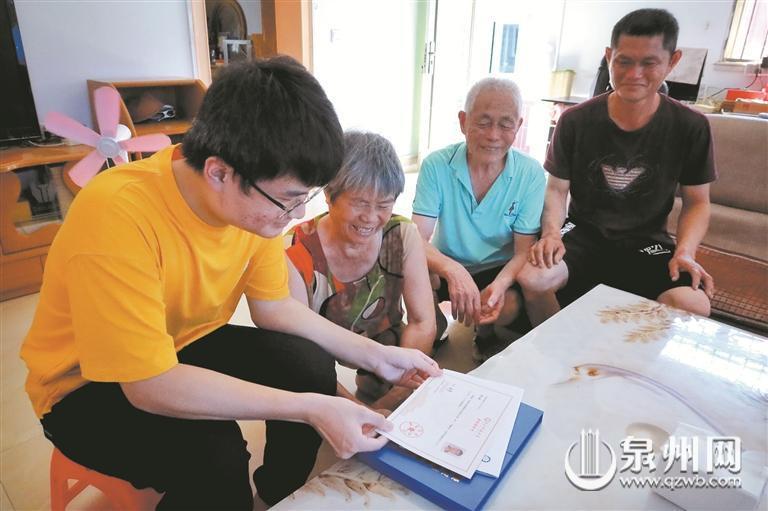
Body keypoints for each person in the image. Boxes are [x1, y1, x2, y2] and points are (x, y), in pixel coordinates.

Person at [20, 58, 440, 510]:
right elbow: (148, 385)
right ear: (219, 172)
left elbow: (275, 307)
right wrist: (308, 408)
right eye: (289, 200)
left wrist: (379, 356)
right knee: (215, 456)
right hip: (84, 387)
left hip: (181, 342)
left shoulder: (252, 202)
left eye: (305, 197)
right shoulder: (117, 215)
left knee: (309, 365)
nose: (298, 214)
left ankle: (280, 496)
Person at [518, 8, 716, 326]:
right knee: (533, 279)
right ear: (609, 56)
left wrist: (686, 252)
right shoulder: (575, 120)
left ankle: (630, 352)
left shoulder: (691, 126)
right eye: (624, 61)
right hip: (583, 233)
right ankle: (554, 345)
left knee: (692, 303)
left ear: (673, 61)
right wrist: (552, 233)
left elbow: (698, 203)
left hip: (648, 241)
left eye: (649, 63)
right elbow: (556, 189)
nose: (634, 74)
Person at [286, 131, 445, 409]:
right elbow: (297, 351)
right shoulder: (295, 251)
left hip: (382, 334)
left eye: (383, 205)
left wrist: (393, 399)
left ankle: (374, 380)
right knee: (302, 373)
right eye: (359, 203)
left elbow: (422, 322)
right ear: (329, 195)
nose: (371, 218)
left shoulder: (402, 234)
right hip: (318, 349)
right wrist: (359, 411)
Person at [412, 77, 546, 361]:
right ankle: (433, 325)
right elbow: (416, 238)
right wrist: (452, 270)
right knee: (409, 263)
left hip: (497, 268)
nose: (494, 135)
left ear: (518, 126)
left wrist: (500, 284)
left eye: (505, 124)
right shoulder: (436, 165)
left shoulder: (531, 173)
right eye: (483, 122)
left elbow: (523, 250)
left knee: (508, 306)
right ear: (463, 121)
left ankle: (486, 333)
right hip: (447, 263)